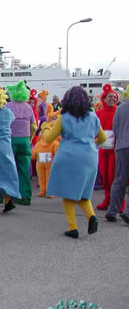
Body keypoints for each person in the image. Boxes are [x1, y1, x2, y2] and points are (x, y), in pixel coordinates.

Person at [45, 87, 106, 239]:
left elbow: (49, 138)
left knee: (68, 193)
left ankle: (73, 227)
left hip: (68, 156)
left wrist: (45, 128)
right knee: (83, 192)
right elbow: (103, 138)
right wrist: (91, 143)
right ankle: (91, 216)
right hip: (89, 156)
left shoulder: (64, 117)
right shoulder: (93, 116)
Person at [5, 81, 37, 206]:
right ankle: (25, 196)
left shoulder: (7, 107)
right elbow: (34, 126)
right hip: (25, 140)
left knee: (10, 168)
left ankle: (10, 195)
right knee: (24, 169)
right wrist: (29, 138)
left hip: (11, 140)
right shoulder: (28, 107)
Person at [95, 85, 121, 211]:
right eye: (110, 96)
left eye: (114, 97)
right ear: (104, 99)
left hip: (114, 150)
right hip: (102, 149)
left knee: (113, 176)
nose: (112, 99)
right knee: (104, 177)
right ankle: (107, 199)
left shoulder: (119, 112)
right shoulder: (98, 114)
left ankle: (118, 202)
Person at [105, 95, 129, 223]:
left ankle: (112, 211)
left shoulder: (120, 108)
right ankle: (128, 212)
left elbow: (115, 128)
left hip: (121, 146)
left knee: (119, 179)